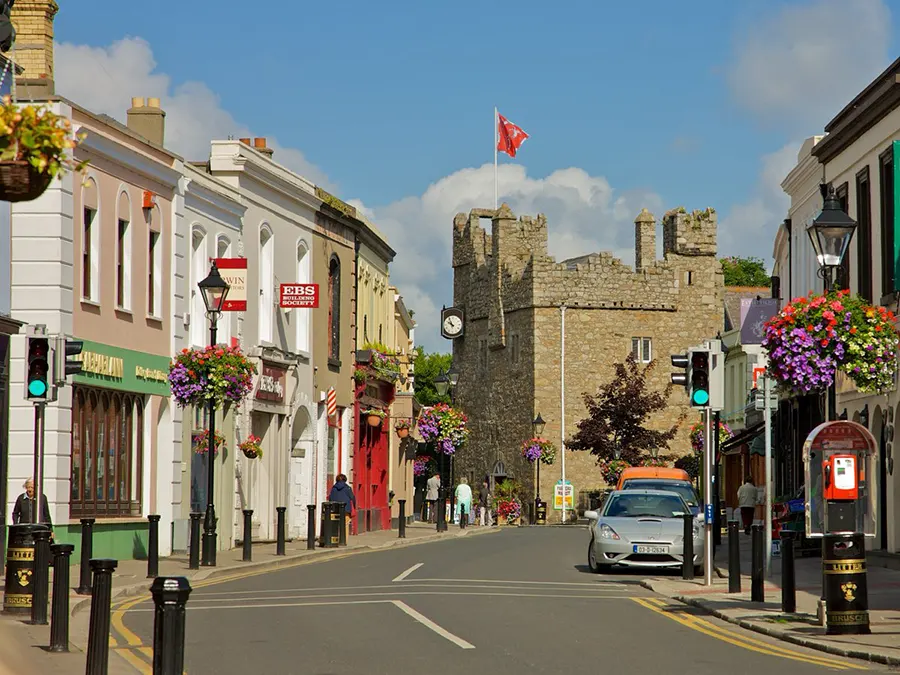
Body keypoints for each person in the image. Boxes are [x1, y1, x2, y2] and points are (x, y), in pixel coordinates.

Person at [328, 474, 356, 540]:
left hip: (335, 509)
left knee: (336, 525)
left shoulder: (333, 488)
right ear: (345, 480)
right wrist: (353, 507)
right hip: (346, 510)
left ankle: (336, 539)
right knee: (345, 525)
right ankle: (344, 540)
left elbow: (330, 498)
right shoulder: (348, 488)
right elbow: (353, 498)